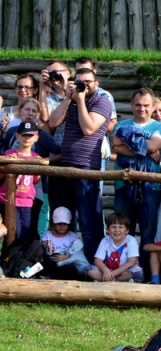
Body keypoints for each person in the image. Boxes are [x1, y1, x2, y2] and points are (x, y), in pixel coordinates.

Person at [46, 67, 111, 262]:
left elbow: (89, 129)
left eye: (88, 82)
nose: (84, 85)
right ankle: (63, 263)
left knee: (89, 220)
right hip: (63, 166)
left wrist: (80, 101)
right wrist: (68, 98)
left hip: (86, 167)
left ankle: (93, 264)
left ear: (96, 84)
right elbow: (53, 122)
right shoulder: (72, 100)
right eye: (80, 82)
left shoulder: (102, 102)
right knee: (62, 218)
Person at [111, 88, 161, 246]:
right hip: (123, 185)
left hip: (150, 187)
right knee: (121, 232)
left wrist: (127, 142)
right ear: (131, 105)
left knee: (148, 233)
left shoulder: (160, 127)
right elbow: (115, 146)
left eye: (146, 105)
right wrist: (147, 151)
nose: (142, 108)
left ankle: (146, 263)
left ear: (152, 106)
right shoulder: (120, 125)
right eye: (138, 105)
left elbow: (155, 145)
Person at [0, 121, 43, 239]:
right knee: (14, 232)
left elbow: (35, 180)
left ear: (36, 138)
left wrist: (39, 167)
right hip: (9, 199)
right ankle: (9, 251)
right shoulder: (9, 154)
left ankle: (17, 251)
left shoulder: (36, 157)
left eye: (30, 135)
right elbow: (1, 176)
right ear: (17, 136)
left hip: (27, 200)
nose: (27, 138)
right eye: (24, 135)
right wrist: (7, 162)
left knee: (26, 232)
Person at [86, 212, 143, 282]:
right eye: (113, 227)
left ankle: (109, 280)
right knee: (89, 269)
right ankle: (117, 280)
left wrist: (112, 274)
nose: (116, 230)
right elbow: (97, 260)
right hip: (109, 271)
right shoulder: (105, 240)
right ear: (108, 230)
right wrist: (105, 270)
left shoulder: (131, 240)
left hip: (124, 270)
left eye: (120, 227)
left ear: (127, 230)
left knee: (137, 271)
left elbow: (131, 262)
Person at [39, 207, 87, 280]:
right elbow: (46, 250)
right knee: (41, 265)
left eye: (65, 224)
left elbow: (77, 251)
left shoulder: (72, 236)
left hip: (66, 262)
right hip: (51, 262)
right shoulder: (48, 234)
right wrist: (45, 245)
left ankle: (54, 276)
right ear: (54, 223)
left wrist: (67, 257)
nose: (62, 226)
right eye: (59, 224)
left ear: (69, 224)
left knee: (71, 270)